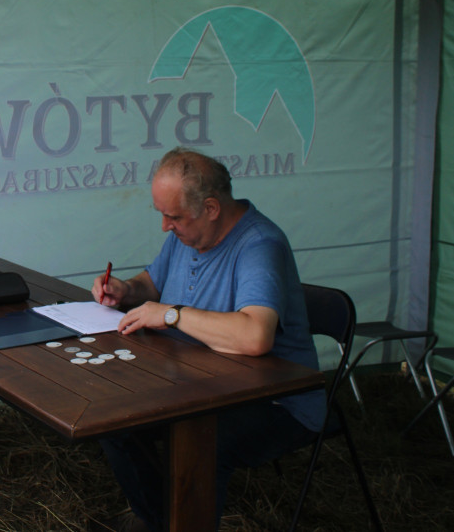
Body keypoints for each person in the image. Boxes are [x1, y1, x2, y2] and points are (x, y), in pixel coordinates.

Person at [90, 147, 325, 532]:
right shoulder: (189, 233)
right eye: (162, 214)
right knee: (116, 421)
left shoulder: (259, 245)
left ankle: (172, 521)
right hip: (197, 382)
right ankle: (161, 521)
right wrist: (125, 289)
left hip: (276, 400)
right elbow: (153, 283)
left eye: (174, 216)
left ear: (212, 208)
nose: (166, 226)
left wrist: (171, 314)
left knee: (201, 442)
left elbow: (255, 336)